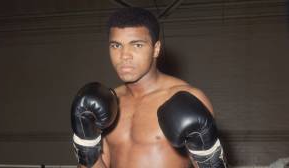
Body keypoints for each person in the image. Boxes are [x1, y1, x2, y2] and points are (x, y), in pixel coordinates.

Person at [71, 7, 227, 168]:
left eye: (137, 45)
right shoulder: (108, 102)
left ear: (156, 49)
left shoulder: (189, 98)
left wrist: (208, 155)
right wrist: (86, 147)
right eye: (116, 45)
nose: (124, 55)